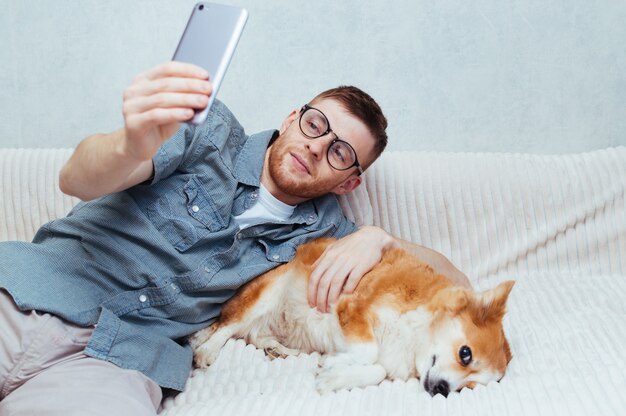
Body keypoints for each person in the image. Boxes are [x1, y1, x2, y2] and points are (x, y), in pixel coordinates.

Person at [0, 61, 470, 415]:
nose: (317, 146)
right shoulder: (208, 131)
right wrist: (129, 145)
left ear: (349, 182)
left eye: (340, 152)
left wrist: (380, 238)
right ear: (291, 119)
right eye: (315, 125)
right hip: (30, 297)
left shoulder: (324, 237)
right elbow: (76, 177)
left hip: (116, 363)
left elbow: (460, 286)